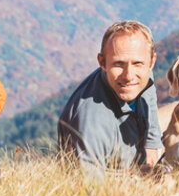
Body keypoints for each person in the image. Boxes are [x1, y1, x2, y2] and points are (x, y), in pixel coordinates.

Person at [57, 21, 164, 178]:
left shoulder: (144, 74)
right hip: (114, 180)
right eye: (118, 64)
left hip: (138, 157)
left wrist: (152, 141)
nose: (129, 76)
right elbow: (88, 189)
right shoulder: (91, 123)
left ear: (151, 63)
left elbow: (149, 95)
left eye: (137, 63)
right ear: (102, 62)